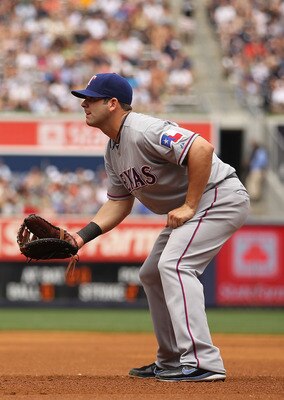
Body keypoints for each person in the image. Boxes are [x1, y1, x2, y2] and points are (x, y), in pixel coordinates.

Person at [70, 73, 250, 382]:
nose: (84, 103)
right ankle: (171, 360)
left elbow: (201, 149)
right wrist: (80, 236)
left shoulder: (144, 129)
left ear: (113, 104)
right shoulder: (113, 150)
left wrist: (190, 205)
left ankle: (203, 361)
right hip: (196, 203)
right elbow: (118, 203)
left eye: (91, 98)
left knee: (175, 264)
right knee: (151, 273)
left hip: (218, 195)